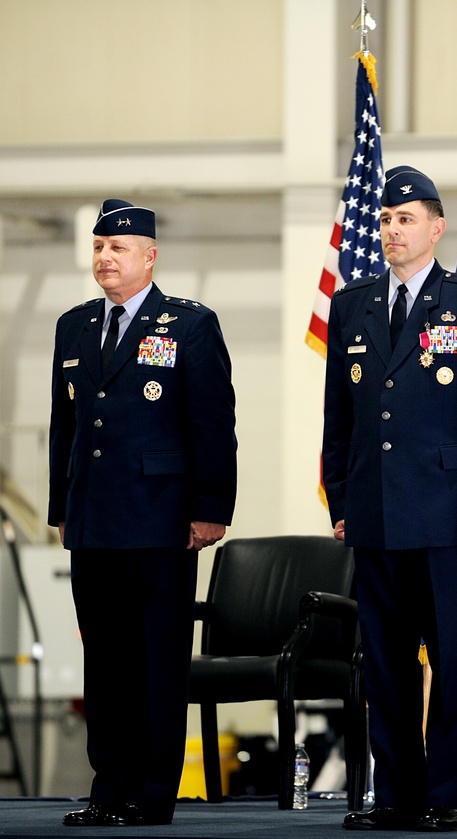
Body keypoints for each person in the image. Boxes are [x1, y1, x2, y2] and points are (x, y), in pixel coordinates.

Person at [322, 166, 457, 832]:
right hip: (373, 514)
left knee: (453, 660)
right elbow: (338, 419)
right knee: (385, 662)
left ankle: (441, 794)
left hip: (447, 517)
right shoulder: (353, 304)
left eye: (405, 218)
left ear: (437, 227)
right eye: (384, 219)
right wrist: (340, 502)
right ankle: (395, 794)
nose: (392, 229)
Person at [48, 199, 238, 827]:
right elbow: (65, 429)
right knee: (104, 662)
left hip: (162, 519)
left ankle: (151, 793)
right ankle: (110, 789)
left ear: (149, 256)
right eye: (99, 246)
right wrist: (61, 509)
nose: (106, 257)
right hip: (94, 520)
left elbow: (213, 424)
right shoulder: (74, 327)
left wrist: (211, 508)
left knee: (156, 661)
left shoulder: (188, 325)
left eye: (119, 248)